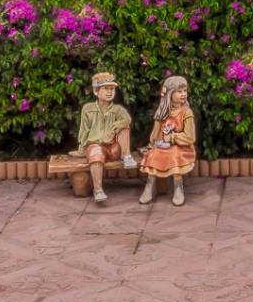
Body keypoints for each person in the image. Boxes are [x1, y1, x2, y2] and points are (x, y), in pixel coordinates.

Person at [72, 72, 134, 202]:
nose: (110, 92)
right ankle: (98, 190)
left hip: (115, 147)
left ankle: (127, 156)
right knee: (95, 153)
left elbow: (127, 120)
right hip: (96, 145)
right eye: (106, 89)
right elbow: (84, 130)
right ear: (96, 91)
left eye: (112, 89)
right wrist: (82, 148)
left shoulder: (117, 109)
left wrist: (113, 129)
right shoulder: (87, 109)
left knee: (124, 127)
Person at [138, 75, 197, 206]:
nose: (183, 94)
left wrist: (172, 137)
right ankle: (149, 187)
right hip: (162, 146)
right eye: (179, 91)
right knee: (153, 154)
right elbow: (155, 132)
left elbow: (190, 137)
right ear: (169, 94)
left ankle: (178, 186)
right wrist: (151, 144)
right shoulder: (163, 111)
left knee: (175, 155)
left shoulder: (187, 112)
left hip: (181, 147)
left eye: (185, 91)